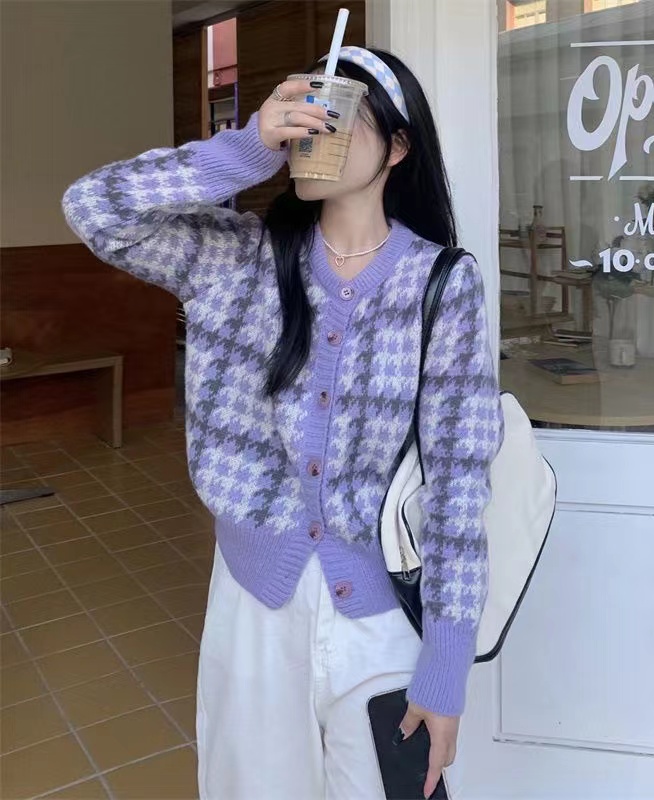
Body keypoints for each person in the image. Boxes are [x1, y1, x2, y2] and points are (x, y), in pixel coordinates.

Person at [62, 46, 504, 800]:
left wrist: (445, 666)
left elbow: (460, 481)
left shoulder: (442, 281)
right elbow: (94, 207)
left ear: (397, 147)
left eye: (336, 118)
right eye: (303, 116)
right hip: (253, 601)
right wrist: (244, 148)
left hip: (380, 612)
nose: (311, 135)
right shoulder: (236, 260)